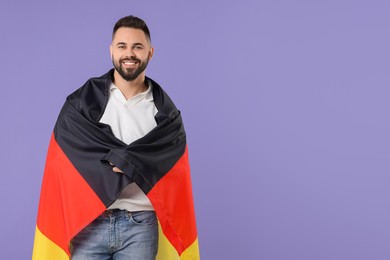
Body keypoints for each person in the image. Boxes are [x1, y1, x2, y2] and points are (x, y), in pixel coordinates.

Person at [33, 15, 200, 260]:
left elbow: (173, 170)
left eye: (137, 47)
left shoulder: (166, 115)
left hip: (140, 226)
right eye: (122, 46)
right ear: (111, 51)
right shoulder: (82, 103)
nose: (129, 53)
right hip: (89, 223)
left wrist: (133, 163)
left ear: (150, 53)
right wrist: (125, 162)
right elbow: (64, 159)